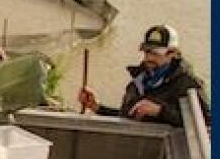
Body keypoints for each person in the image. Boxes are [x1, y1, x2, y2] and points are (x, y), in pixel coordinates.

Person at [77, 24, 211, 127]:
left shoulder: (188, 84)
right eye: (146, 52)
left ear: (173, 54)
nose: (148, 58)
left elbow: (205, 124)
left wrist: (160, 111)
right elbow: (127, 117)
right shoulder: (138, 81)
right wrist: (97, 107)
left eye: (155, 53)